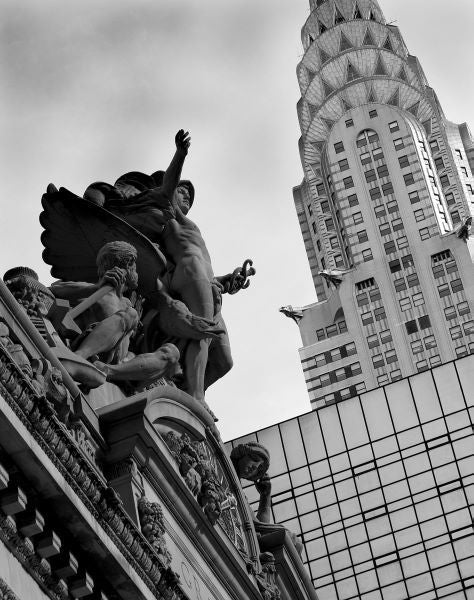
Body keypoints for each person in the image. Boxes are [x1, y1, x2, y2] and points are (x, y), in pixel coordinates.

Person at [97, 131, 236, 402]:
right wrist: (180, 154)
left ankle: (185, 387)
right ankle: (196, 398)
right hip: (190, 271)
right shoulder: (169, 212)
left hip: (203, 281)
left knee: (225, 361)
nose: (186, 197)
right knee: (203, 334)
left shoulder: (186, 223)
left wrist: (228, 280)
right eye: (183, 191)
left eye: (189, 197)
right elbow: (169, 184)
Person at [50, 241, 139, 364]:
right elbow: (53, 290)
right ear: (129, 264)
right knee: (131, 314)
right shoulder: (96, 292)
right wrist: (95, 288)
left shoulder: (127, 304)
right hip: (88, 360)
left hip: (109, 371)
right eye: (135, 267)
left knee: (171, 352)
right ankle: (77, 359)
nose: (137, 273)